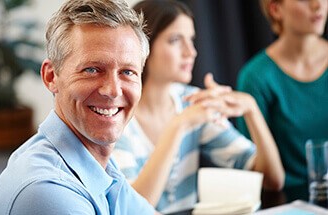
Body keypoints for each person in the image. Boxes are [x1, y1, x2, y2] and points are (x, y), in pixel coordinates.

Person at [0, 0, 159, 214]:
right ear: (51, 76)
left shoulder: (99, 163)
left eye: (127, 72)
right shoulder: (48, 192)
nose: (113, 90)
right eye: (92, 69)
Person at [112, 0, 284, 214]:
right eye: (175, 40)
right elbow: (133, 209)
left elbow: (272, 180)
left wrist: (251, 109)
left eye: (191, 40)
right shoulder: (116, 116)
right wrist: (178, 126)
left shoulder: (191, 101)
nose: (190, 52)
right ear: (142, 46)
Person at [237, 0, 328, 188]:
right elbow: (255, 166)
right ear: (276, 9)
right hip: (287, 202)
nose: (317, 4)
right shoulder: (255, 77)